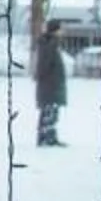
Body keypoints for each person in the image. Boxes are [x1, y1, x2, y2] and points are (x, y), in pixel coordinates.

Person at [35, 18, 69, 147]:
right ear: (56, 30)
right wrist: (47, 81)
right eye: (61, 28)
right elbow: (45, 65)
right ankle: (46, 138)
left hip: (52, 85)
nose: (63, 31)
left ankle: (49, 137)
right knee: (49, 112)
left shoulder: (51, 43)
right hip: (50, 86)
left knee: (51, 112)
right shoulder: (50, 44)